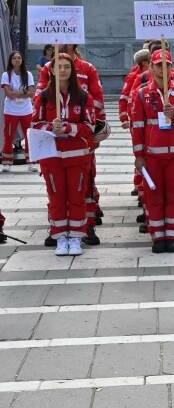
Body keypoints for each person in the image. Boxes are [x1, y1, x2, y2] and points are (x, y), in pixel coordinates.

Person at [130, 49, 174, 254]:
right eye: (159, 65)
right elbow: (137, 127)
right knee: (154, 196)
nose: (163, 69)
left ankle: (171, 235)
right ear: (151, 67)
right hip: (152, 157)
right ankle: (158, 236)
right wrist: (138, 156)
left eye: (167, 65)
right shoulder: (141, 94)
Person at [32, 52, 96, 256]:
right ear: (50, 70)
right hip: (52, 157)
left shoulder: (84, 97)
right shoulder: (43, 97)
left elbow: (89, 127)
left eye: (67, 66)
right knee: (56, 197)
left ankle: (76, 237)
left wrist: (68, 128)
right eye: (58, 66)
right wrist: (51, 127)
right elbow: (34, 125)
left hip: (77, 156)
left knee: (77, 197)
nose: (62, 70)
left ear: (72, 70)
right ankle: (60, 237)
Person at [2, 51, 36, 172]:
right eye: (14, 58)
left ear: (22, 60)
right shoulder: (6, 75)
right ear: (11, 61)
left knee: (29, 136)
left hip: (26, 110)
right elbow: (9, 94)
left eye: (19, 58)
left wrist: (18, 93)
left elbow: (32, 94)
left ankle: (31, 162)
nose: (17, 60)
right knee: (9, 136)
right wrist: (23, 93)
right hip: (11, 111)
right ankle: (6, 163)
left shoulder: (28, 74)